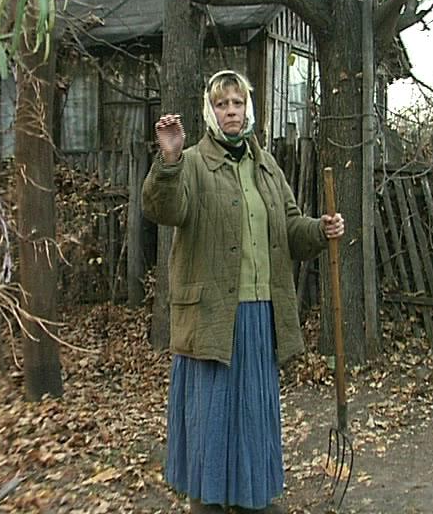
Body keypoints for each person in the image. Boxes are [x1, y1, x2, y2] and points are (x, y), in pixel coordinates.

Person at [142, 69, 345, 514]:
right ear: (209, 112)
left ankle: (253, 500)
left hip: (258, 315)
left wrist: (319, 229)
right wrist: (169, 161)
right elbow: (164, 209)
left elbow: (289, 227)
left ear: (248, 109)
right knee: (212, 417)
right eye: (221, 104)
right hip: (213, 318)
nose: (230, 111)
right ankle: (208, 503)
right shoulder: (192, 162)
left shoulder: (265, 165)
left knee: (253, 414)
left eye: (237, 103)